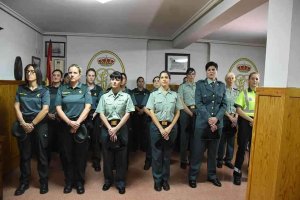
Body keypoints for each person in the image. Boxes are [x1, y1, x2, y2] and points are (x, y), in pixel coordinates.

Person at [188, 61, 226, 188]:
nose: (211, 71)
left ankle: (212, 175)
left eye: (213, 69)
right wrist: (210, 118)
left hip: (217, 125)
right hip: (203, 124)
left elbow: (224, 105)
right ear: (206, 72)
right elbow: (198, 103)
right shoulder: (200, 84)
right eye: (209, 69)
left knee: (213, 152)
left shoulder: (222, 86)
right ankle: (193, 176)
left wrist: (217, 119)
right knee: (197, 151)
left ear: (216, 71)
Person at [13, 64, 50, 195]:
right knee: (25, 155)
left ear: (37, 73)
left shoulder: (44, 90)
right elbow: (17, 107)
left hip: (39, 123)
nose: (29, 74)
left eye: (32, 71)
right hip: (24, 123)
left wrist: (32, 124)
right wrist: (23, 123)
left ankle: (44, 182)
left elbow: (45, 109)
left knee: (41, 154)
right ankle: (24, 182)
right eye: (27, 71)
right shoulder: (20, 88)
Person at [96, 71, 135, 194]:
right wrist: (109, 128)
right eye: (112, 79)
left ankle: (120, 182)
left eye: (117, 79)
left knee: (121, 158)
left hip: (121, 128)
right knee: (107, 157)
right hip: (106, 128)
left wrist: (116, 128)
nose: (114, 81)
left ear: (120, 81)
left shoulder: (126, 97)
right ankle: (108, 181)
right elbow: (101, 113)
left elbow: (128, 113)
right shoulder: (104, 96)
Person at [56, 64, 92, 194]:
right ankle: (69, 182)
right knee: (67, 155)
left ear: (79, 75)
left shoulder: (85, 89)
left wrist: (77, 122)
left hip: (80, 126)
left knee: (80, 156)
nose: (72, 74)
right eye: (70, 72)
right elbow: (58, 108)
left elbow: (88, 107)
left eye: (75, 72)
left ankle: (79, 182)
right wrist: (69, 122)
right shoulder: (62, 88)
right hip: (66, 126)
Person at [146, 71, 183, 192]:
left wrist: (170, 127)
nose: (164, 79)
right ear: (159, 80)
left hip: (171, 128)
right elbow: (151, 112)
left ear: (169, 79)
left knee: (167, 156)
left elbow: (178, 112)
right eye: (162, 77)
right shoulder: (154, 95)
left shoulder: (175, 95)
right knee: (156, 156)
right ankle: (157, 181)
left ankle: (165, 180)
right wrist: (161, 129)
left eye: (166, 77)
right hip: (157, 128)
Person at [233, 72, 259, 185]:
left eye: (256, 79)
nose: (254, 81)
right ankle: (237, 174)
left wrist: (257, 121)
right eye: (252, 78)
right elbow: (238, 110)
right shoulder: (243, 93)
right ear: (248, 80)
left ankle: (252, 172)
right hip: (245, 121)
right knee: (242, 148)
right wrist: (251, 120)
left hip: (258, 122)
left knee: (255, 149)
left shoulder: (261, 94)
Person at [217, 72, 239, 169]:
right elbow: (220, 105)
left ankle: (228, 160)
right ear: (226, 79)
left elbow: (239, 106)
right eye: (229, 78)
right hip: (224, 117)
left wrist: (236, 117)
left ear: (234, 79)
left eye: (232, 78)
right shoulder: (222, 91)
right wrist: (229, 117)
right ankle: (219, 160)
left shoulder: (237, 92)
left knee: (231, 140)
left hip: (234, 117)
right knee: (222, 140)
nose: (230, 80)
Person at [178, 68, 196, 169]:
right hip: (185, 112)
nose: (191, 76)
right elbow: (180, 102)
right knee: (184, 137)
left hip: (196, 111)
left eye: (193, 74)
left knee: (194, 137)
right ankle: (183, 160)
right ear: (187, 75)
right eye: (189, 74)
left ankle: (192, 159)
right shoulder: (182, 87)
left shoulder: (198, 86)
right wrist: (190, 113)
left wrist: (195, 113)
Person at [85, 68, 103, 172]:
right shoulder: (82, 88)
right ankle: (82, 160)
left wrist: (94, 114)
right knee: (83, 139)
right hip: (84, 116)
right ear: (86, 76)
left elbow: (101, 104)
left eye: (93, 75)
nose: (91, 77)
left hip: (95, 116)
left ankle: (96, 161)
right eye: (89, 75)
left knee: (96, 139)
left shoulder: (99, 89)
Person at [142, 76, 161, 170]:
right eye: (155, 81)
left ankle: (157, 162)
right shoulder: (149, 93)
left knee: (160, 143)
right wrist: (154, 116)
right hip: (151, 121)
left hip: (162, 123)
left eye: (158, 81)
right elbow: (145, 108)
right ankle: (148, 161)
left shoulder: (164, 94)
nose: (157, 82)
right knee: (150, 143)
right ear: (153, 83)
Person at [47, 69, 63, 164]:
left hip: (60, 119)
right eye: (54, 75)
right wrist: (47, 114)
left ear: (61, 78)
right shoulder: (46, 89)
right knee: (48, 143)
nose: (56, 77)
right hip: (48, 118)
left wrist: (58, 114)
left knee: (62, 143)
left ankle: (63, 163)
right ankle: (47, 163)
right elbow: (42, 104)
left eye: (58, 75)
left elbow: (65, 104)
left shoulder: (64, 89)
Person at [132, 76, 150, 152]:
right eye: (139, 81)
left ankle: (143, 147)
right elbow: (132, 101)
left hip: (145, 112)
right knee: (135, 130)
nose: (141, 82)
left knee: (144, 131)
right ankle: (135, 147)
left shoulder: (147, 92)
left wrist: (143, 109)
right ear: (137, 83)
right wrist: (138, 109)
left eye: (142, 81)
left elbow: (148, 102)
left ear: (144, 83)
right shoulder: (133, 91)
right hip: (135, 112)